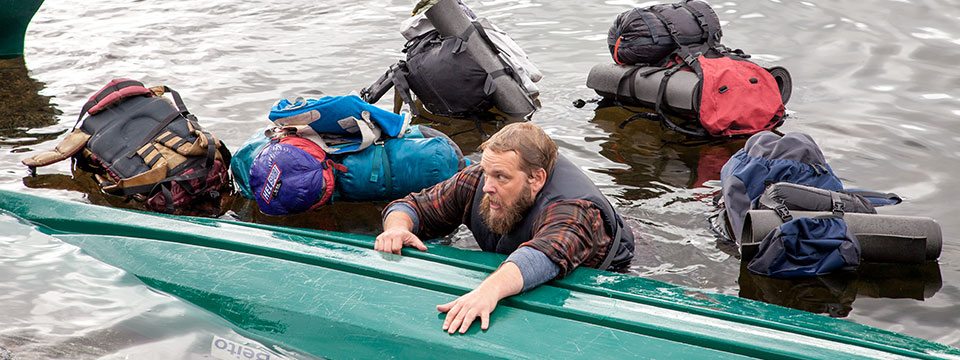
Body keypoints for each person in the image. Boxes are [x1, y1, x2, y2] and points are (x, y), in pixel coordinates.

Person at [375, 122, 635, 334]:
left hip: (610, 270)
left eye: (501, 177)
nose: (488, 185)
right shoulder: (482, 179)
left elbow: (544, 254)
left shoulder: (574, 210)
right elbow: (415, 205)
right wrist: (396, 228)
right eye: (488, 172)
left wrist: (488, 292)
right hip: (516, 250)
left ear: (536, 178)